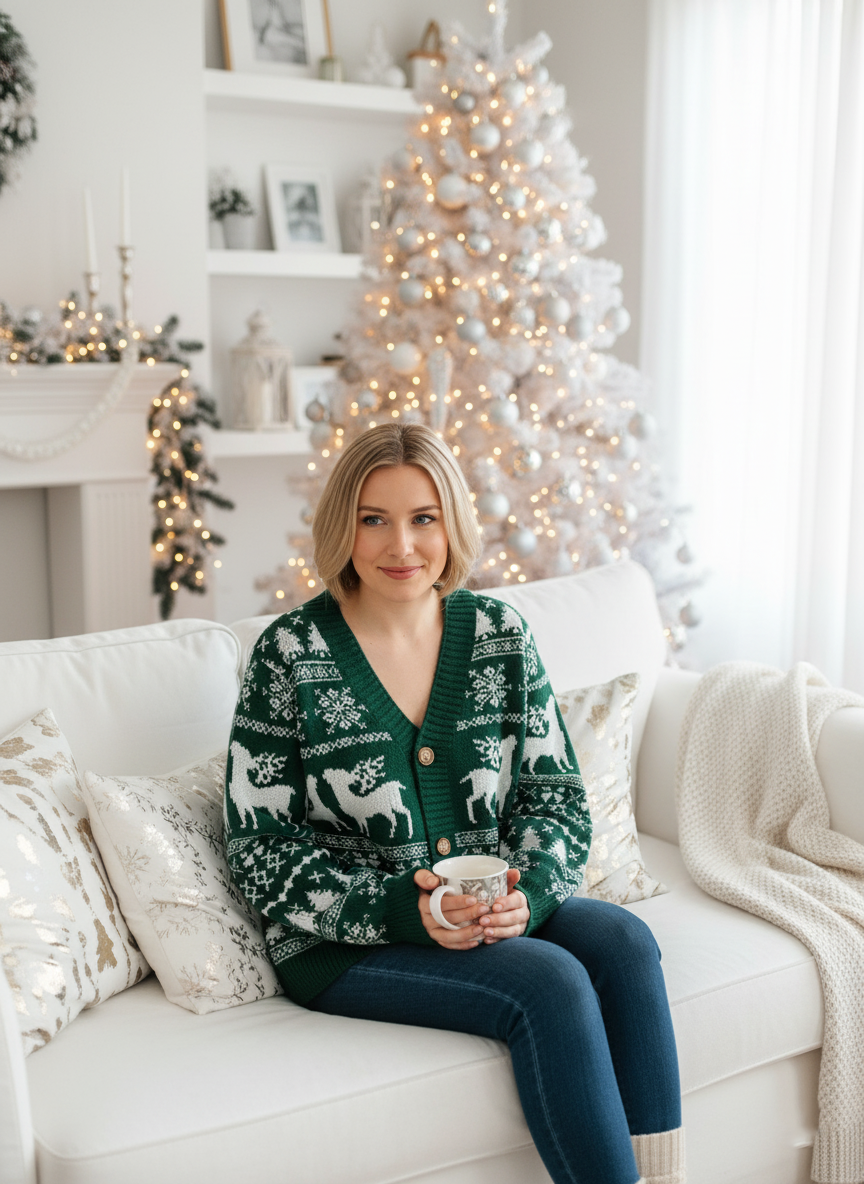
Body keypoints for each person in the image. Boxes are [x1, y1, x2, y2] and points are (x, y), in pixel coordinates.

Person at [224, 422, 685, 1184]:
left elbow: (556, 799)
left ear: (452, 525)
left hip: (486, 900)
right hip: (347, 940)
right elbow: (259, 846)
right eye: (374, 519)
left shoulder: (498, 634)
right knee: (550, 983)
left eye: (422, 518)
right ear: (344, 524)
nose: (400, 546)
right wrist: (403, 911)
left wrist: (528, 896)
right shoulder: (291, 654)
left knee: (626, 946)